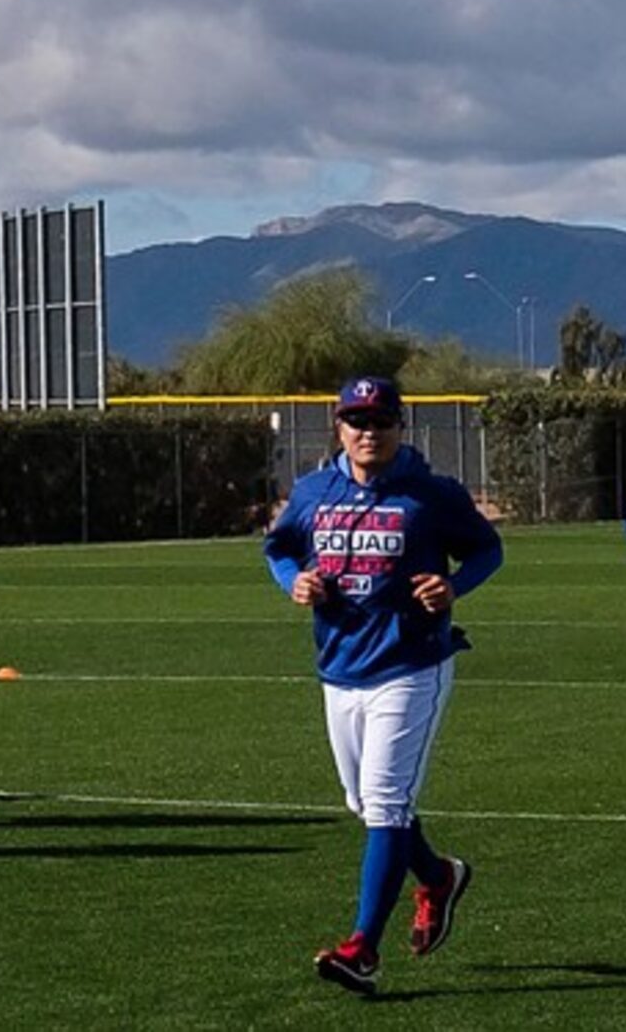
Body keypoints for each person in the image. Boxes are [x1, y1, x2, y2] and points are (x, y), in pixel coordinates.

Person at [263, 377, 503, 996]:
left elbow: (486, 550)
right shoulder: (316, 491)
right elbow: (279, 547)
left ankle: (362, 948)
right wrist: (293, 579)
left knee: (387, 803)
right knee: (365, 805)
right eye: (356, 419)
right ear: (337, 426)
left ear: (402, 426)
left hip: (412, 665)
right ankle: (438, 877)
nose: (369, 430)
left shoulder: (430, 493)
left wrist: (455, 587)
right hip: (339, 665)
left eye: (381, 419)